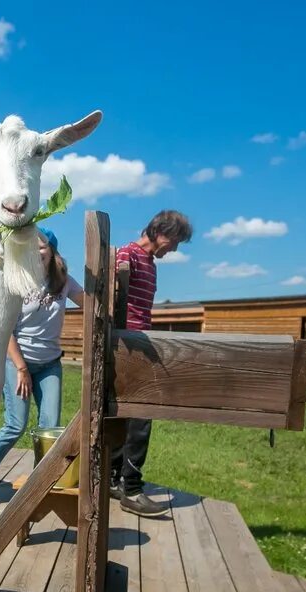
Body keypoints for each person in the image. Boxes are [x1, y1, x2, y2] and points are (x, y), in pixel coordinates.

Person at [0, 227, 84, 505]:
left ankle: (43, 483)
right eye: (30, 247)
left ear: (52, 250)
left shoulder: (63, 281)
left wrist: (108, 289)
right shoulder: (17, 281)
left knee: (50, 426)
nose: (35, 251)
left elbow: (89, 302)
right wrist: (21, 369)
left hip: (50, 364)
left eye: (40, 246)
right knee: (15, 425)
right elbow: (5, 331)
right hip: (18, 362)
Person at [110, 210, 193, 517]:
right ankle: (131, 490)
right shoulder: (126, 255)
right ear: (159, 231)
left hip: (142, 345)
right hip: (125, 346)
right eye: (174, 240)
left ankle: (116, 479)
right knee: (141, 416)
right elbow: (112, 301)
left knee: (127, 415)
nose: (174, 248)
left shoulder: (151, 265)